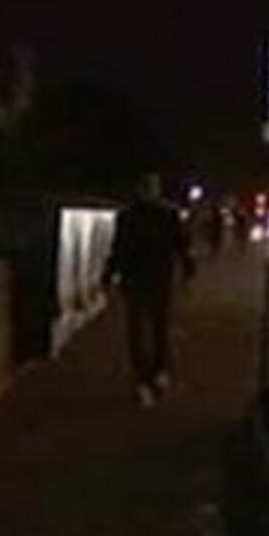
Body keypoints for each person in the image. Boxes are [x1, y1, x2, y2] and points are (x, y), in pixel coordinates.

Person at [105, 173, 196, 407]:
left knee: (142, 331)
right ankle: (156, 373)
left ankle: (146, 378)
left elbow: (119, 249)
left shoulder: (128, 217)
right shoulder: (168, 215)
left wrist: (109, 274)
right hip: (158, 278)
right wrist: (187, 269)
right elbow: (182, 245)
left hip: (139, 279)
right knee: (156, 328)